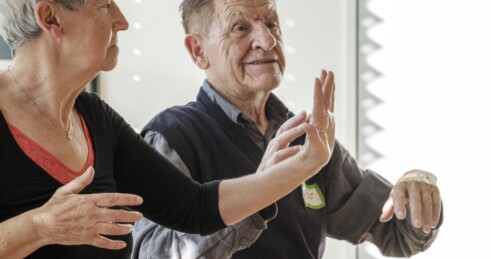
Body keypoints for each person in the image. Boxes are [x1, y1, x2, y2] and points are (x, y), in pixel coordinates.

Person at [0, 0, 335, 258]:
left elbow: (196, 208)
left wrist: (304, 165)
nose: (122, 20)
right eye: (104, 5)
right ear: (51, 18)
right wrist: (41, 226)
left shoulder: (95, 118)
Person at [132, 0, 443, 258]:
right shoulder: (170, 137)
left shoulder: (307, 136)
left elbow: (397, 233)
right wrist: (259, 192)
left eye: (272, 24)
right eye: (241, 28)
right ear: (198, 51)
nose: (267, 41)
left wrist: (418, 191)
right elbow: (155, 254)